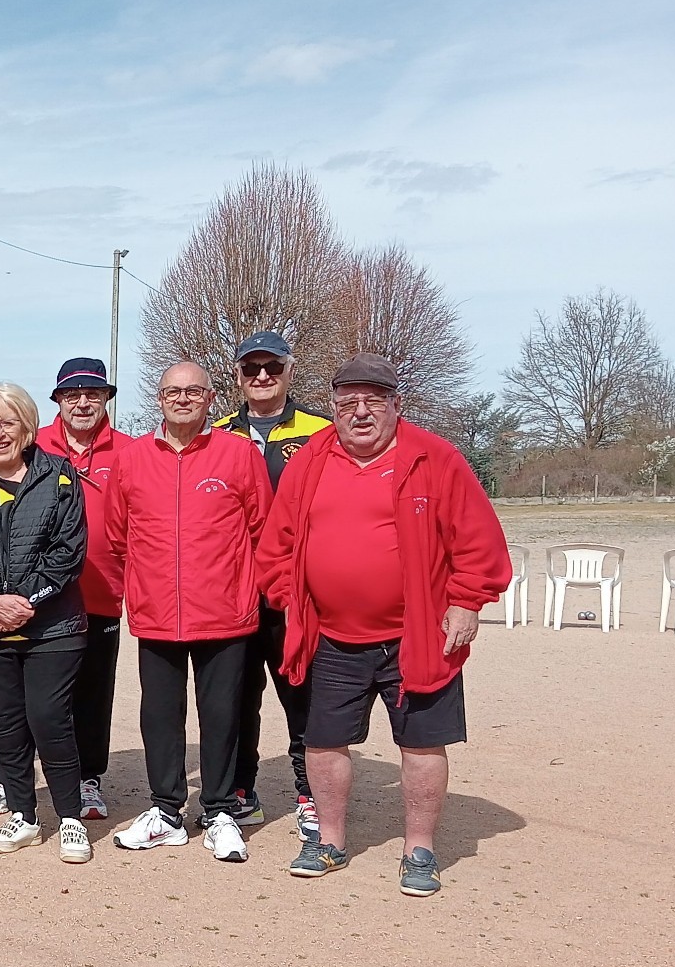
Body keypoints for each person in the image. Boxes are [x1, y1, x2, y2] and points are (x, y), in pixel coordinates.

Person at [256, 354, 511, 895]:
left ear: (396, 404)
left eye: (374, 400)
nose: (361, 412)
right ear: (333, 408)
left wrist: (467, 601)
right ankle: (328, 840)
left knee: (421, 745)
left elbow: (479, 541)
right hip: (331, 636)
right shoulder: (311, 459)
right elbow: (277, 541)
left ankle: (419, 848)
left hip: (418, 634)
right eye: (348, 402)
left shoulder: (435, 458)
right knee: (322, 743)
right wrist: (288, 595)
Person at [106, 362, 272, 862]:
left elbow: (262, 527)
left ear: (210, 397)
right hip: (158, 613)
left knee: (222, 714)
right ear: (159, 399)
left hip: (225, 613)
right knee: (159, 715)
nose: (183, 399)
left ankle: (220, 810)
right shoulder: (133, 459)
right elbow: (118, 535)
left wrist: (249, 590)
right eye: (173, 392)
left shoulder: (239, 454)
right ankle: (165, 812)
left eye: (193, 391)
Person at [0, 383, 91, 862]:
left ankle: (70, 818)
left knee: (49, 720)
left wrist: (24, 602)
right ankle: (23, 816)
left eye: (7, 422)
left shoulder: (61, 478)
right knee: (5, 725)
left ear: (27, 427)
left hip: (54, 628)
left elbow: (68, 554)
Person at [215, 330, 331, 837]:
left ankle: (310, 793)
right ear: (238, 375)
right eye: (250, 369)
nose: (261, 377)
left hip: (294, 591)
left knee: (301, 693)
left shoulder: (321, 431)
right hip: (234, 592)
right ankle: (242, 790)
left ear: (289, 370)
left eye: (272, 368)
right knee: (238, 696)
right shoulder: (217, 433)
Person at [26, 356, 131, 823]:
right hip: (40, 595)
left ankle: (88, 778)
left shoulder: (131, 451)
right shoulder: (33, 447)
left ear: (106, 397)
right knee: (32, 689)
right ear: (58, 401)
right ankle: (17, 774)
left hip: (102, 592)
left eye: (92, 393)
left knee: (91, 692)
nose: (83, 403)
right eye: (73, 395)